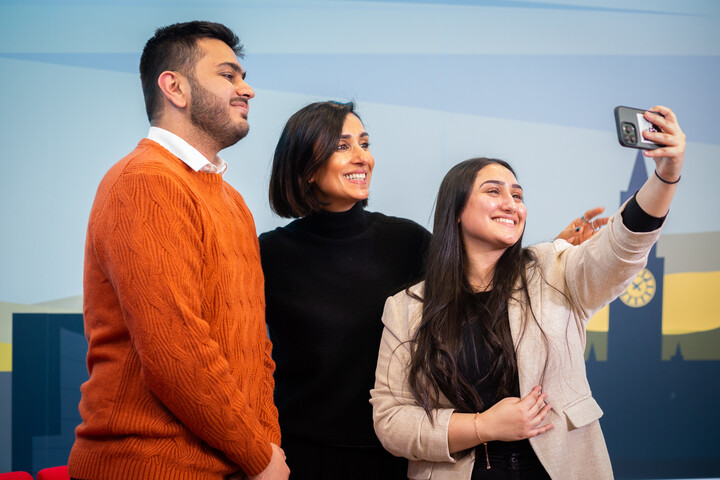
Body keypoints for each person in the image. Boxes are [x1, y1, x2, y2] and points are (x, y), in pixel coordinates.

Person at [259, 101, 608, 479]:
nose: (362, 158)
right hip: (305, 456)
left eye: (365, 143)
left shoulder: (405, 240)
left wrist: (548, 258)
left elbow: (477, 279)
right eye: (342, 146)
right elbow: (246, 362)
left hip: (407, 456)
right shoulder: (268, 255)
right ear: (304, 165)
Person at [371, 106, 685, 480]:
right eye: (493, 191)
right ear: (455, 211)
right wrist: (483, 426)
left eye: (518, 195)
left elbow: (621, 248)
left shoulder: (554, 268)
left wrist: (667, 176)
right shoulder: (406, 308)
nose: (511, 203)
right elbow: (392, 420)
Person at [68, 21, 289, 480]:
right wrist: (260, 456)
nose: (247, 89)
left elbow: (255, 350)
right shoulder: (145, 182)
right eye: (228, 75)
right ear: (175, 87)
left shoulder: (231, 201)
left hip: (237, 464)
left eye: (242, 76)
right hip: (150, 467)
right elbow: (177, 354)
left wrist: (266, 448)